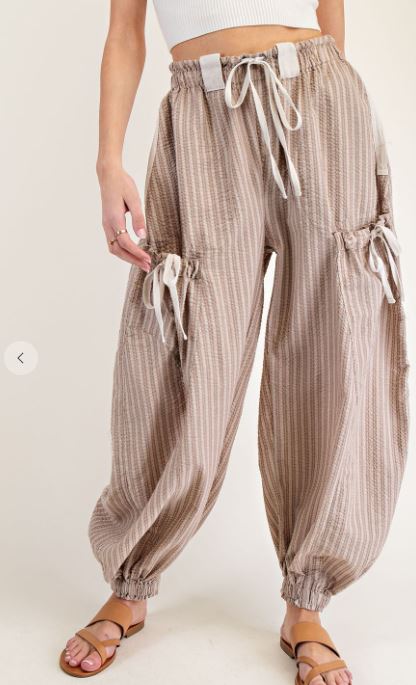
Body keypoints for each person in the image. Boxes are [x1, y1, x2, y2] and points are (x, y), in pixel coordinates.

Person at [60, 1, 410, 682]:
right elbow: (125, 31)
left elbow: (329, 9)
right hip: (200, 113)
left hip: (318, 100)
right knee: (181, 345)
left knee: (334, 346)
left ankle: (307, 604)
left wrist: (324, 102)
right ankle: (131, 581)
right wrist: (109, 163)